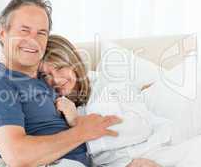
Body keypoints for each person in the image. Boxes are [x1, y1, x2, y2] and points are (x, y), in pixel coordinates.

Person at [0, 0, 122, 167]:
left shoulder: (47, 81)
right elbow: (18, 156)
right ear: (3, 33)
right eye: (24, 30)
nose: (33, 40)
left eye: (41, 33)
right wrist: (82, 132)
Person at [39, 35, 161, 167]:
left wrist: (78, 122)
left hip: (148, 152)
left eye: (60, 67)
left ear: (74, 63)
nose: (56, 80)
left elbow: (141, 126)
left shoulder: (108, 84)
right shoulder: (48, 107)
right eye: (46, 75)